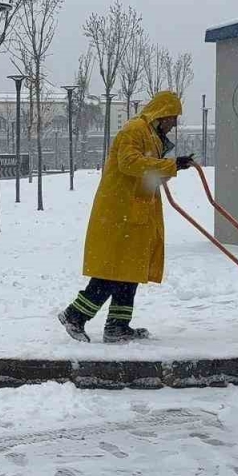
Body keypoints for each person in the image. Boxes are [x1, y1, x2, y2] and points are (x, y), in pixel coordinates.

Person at [58, 90, 196, 344]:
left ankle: (117, 326)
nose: (175, 124)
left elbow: (147, 174)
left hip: (136, 211)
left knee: (131, 269)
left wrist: (174, 166)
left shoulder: (152, 136)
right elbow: (129, 163)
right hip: (119, 212)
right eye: (173, 118)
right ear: (162, 114)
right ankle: (74, 315)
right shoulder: (135, 130)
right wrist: (171, 164)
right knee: (114, 269)